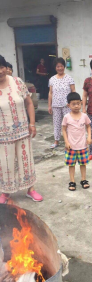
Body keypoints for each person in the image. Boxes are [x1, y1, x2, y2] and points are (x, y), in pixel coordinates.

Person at [0, 55, 43, 203]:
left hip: (23, 131)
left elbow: (29, 103)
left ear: (6, 68)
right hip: (3, 135)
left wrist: (32, 123)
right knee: (5, 163)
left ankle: (30, 189)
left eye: (1, 67)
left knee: (26, 160)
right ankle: (6, 191)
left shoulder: (17, 82)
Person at [62, 92, 92, 191]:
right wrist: (66, 142)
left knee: (83, 164)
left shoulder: (84, 116)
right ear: (68, 105)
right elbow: (64, 129)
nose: (76, 106)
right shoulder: (67, 117)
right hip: (71, 146)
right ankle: (72, 181)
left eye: (78, 103)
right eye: (73, 104)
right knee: (71, 164)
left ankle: (83, 179)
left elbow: (88, 126)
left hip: (82, 145)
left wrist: (89, 137)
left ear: (81, 103)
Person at [48, 57, 75, 149]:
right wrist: (49, 105)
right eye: (58, 66)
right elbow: (50, 93)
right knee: (56, 123)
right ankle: (56, 141)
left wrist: (73, 104)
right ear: (55, 67)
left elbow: (73, 91)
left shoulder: (69, 78)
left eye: (61, 66)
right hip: (55, 105)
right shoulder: (52, 79)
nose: (60, 68)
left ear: (64, 67)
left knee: (68, 123)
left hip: (66, 105)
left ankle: (69, 141)